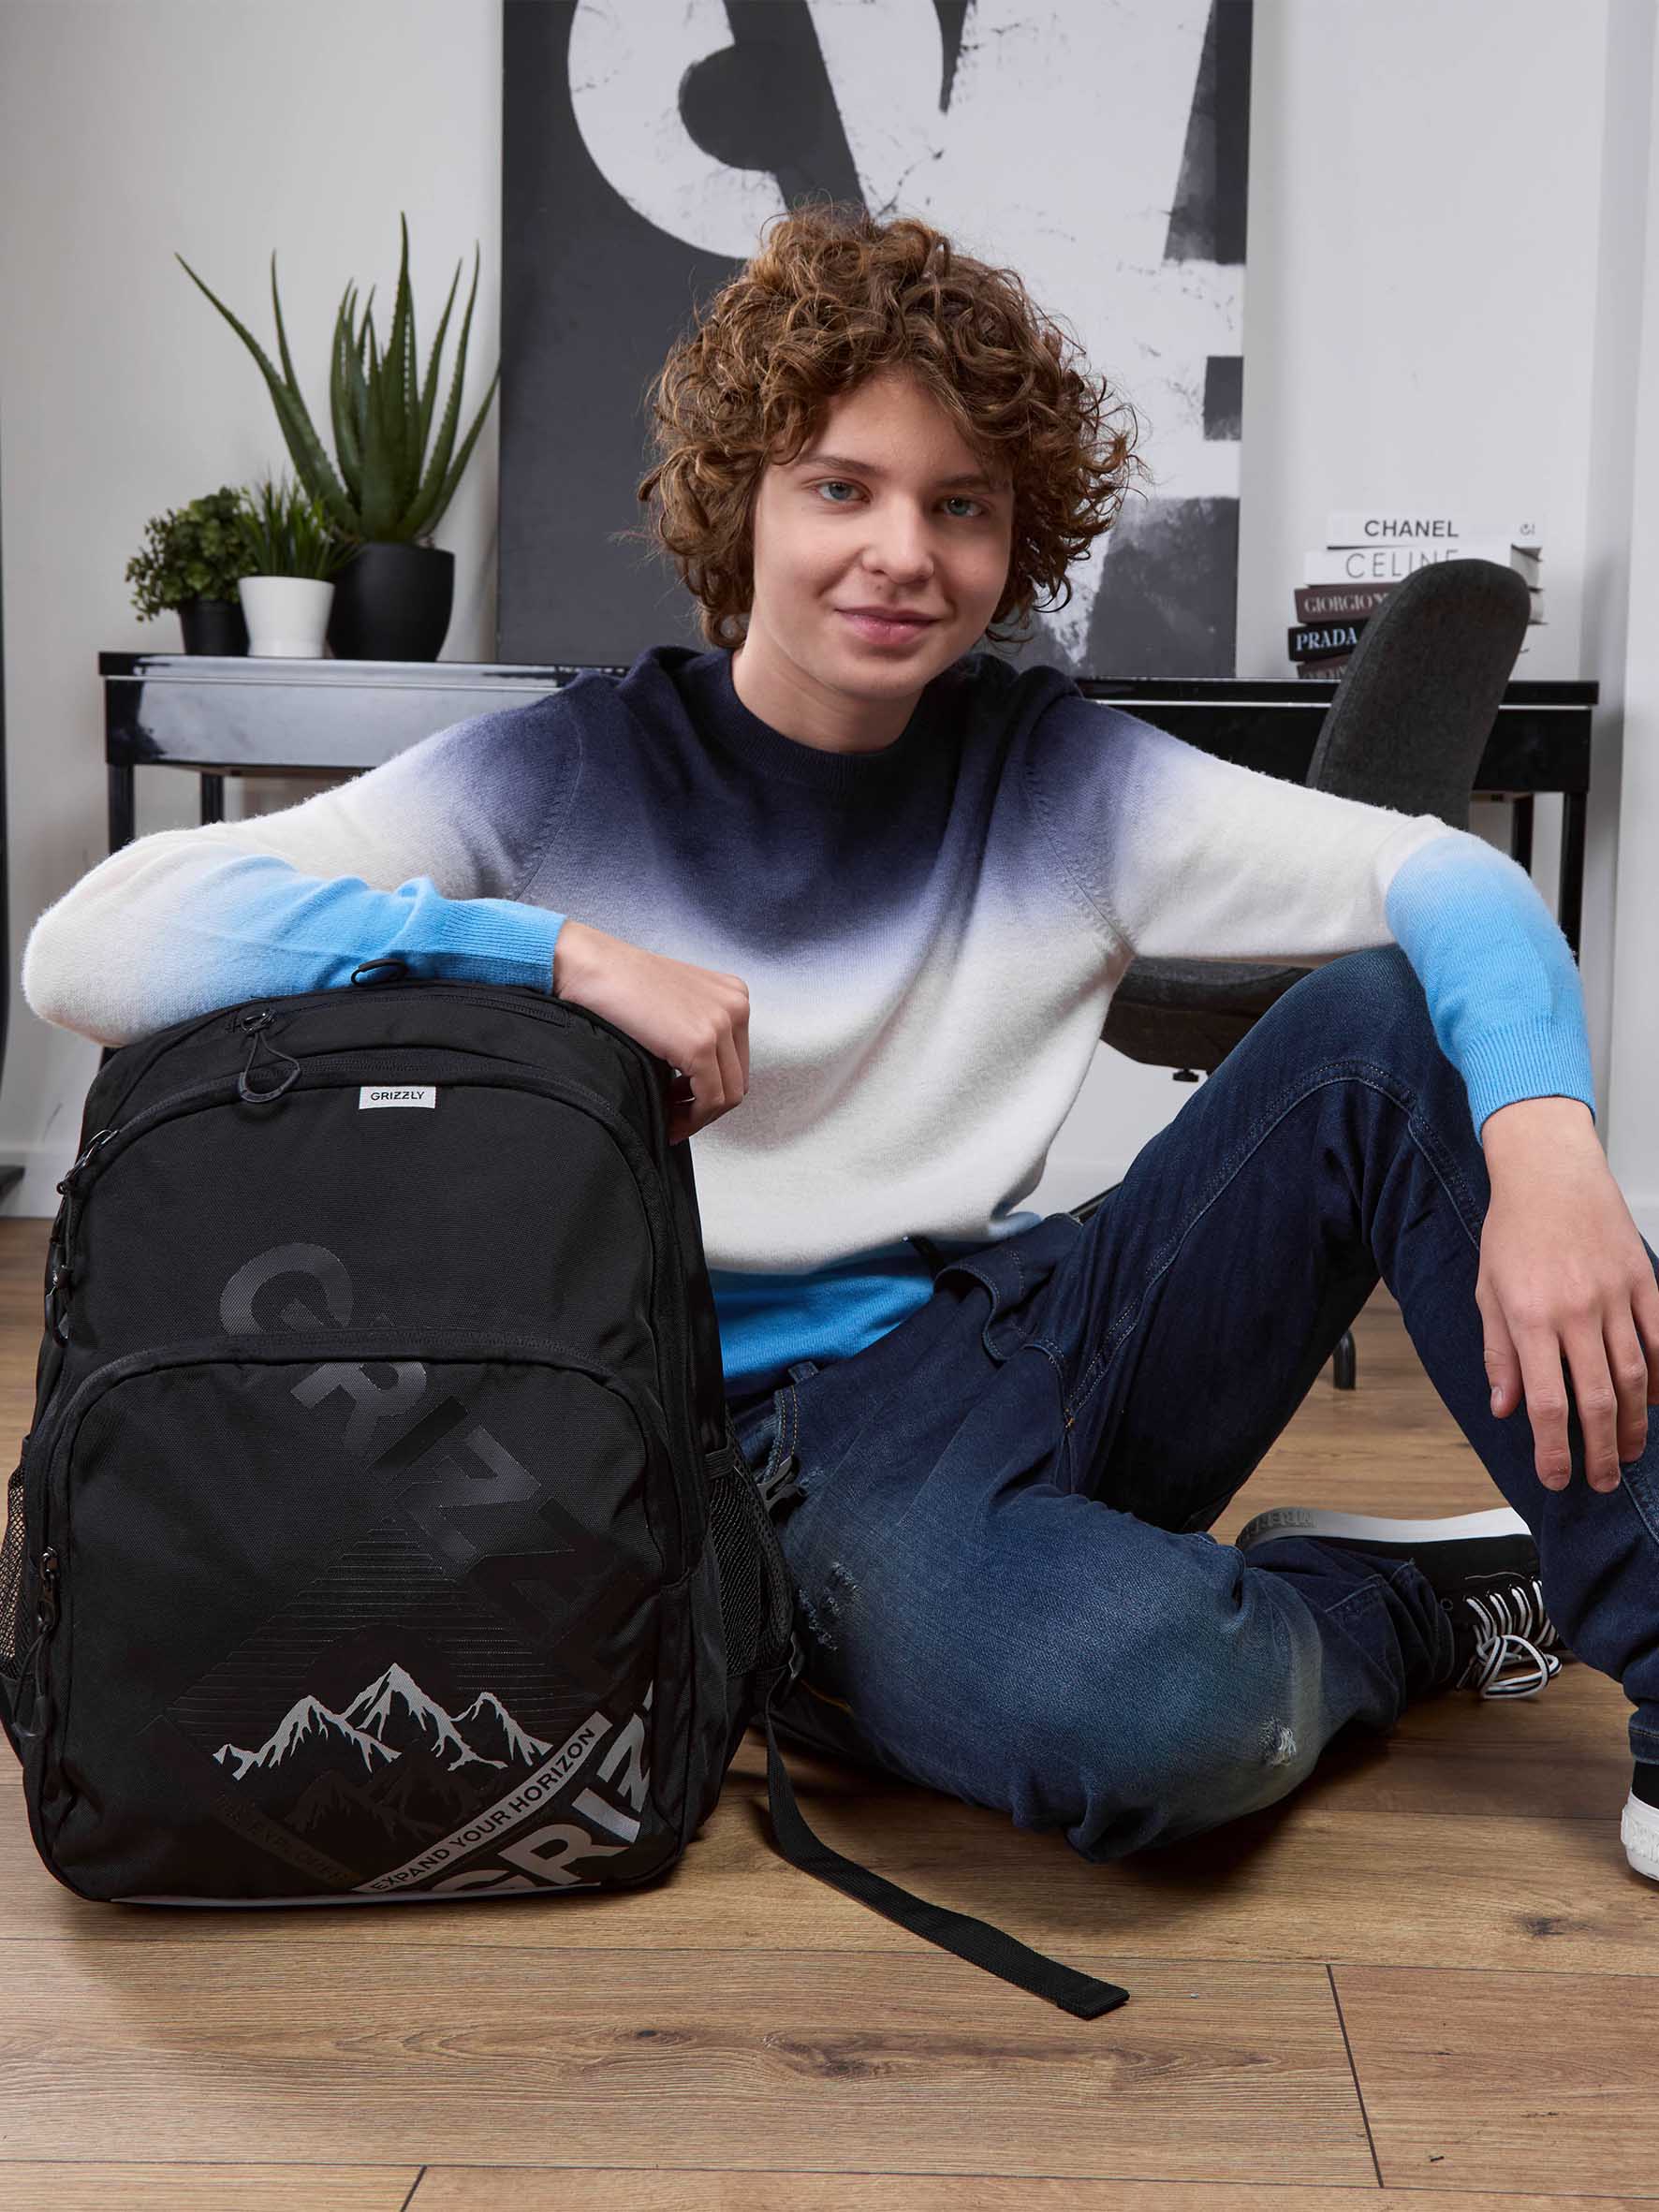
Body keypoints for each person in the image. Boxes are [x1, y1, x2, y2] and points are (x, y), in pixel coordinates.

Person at [22, 202, 1659, 1880]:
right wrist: (557, 953)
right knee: (1169, 1714)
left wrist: (1548, 1150)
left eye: (961, 505)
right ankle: (1400, 1605)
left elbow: (1446, 874)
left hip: (1018, 1335)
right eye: (841, 488)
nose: (904, 553)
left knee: (1390, 1027)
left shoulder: (1058, 773)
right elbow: (94, 948)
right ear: (741, 499)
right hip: (738, 1462)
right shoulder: (566, 773)